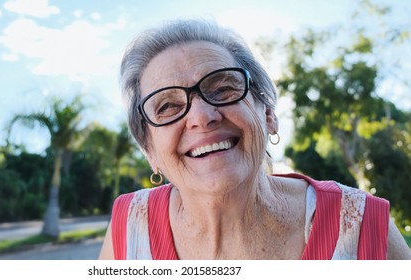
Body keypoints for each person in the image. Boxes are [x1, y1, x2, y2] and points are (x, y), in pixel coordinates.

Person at [99, 19, 411, 260]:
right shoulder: (129, 226)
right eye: (167, 106)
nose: (202, 116)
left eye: (223, 88)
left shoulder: (363, 226)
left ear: (268, 115)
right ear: (149, 149)